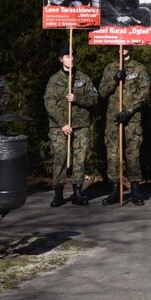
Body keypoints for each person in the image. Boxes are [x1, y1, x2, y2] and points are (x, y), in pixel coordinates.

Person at [44, 46, 98, 207]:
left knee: (80, 159)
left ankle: (78, 192)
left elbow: (94, 98)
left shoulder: (83, 78)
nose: (71, 59)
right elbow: (49, 103)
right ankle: (58, 193)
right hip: (59, 126)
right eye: (67, 56)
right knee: (60, 157)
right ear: (61, 59)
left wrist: (77, 98)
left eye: (73, 55)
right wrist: (63, 123)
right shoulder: (54, 80)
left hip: (81, 124)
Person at [99, 46, 150, 206]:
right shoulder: (110, 68)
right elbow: (102, 92)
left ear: (132, 47)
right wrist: (115, 79)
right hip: (113, 119)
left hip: (132, 118)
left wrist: (129, 111)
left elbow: (145, 92)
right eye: (122, 46)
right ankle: (115, 189)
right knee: (113, 153)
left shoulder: (139, 68)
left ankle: (135, 189)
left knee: (132, 153)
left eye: (127, 45)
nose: (124, 48)